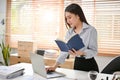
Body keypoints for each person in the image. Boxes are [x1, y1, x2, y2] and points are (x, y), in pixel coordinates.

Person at [46, 3, 99, 72]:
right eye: (66, 18)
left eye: (69, 17)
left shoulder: (91, 30)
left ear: (78, 16)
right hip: (77, 64)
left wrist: (82, 52)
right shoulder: (70, 32)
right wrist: (54, 66)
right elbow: (64, 52)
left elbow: (94, 51)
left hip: (89, 66)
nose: (67, 21)